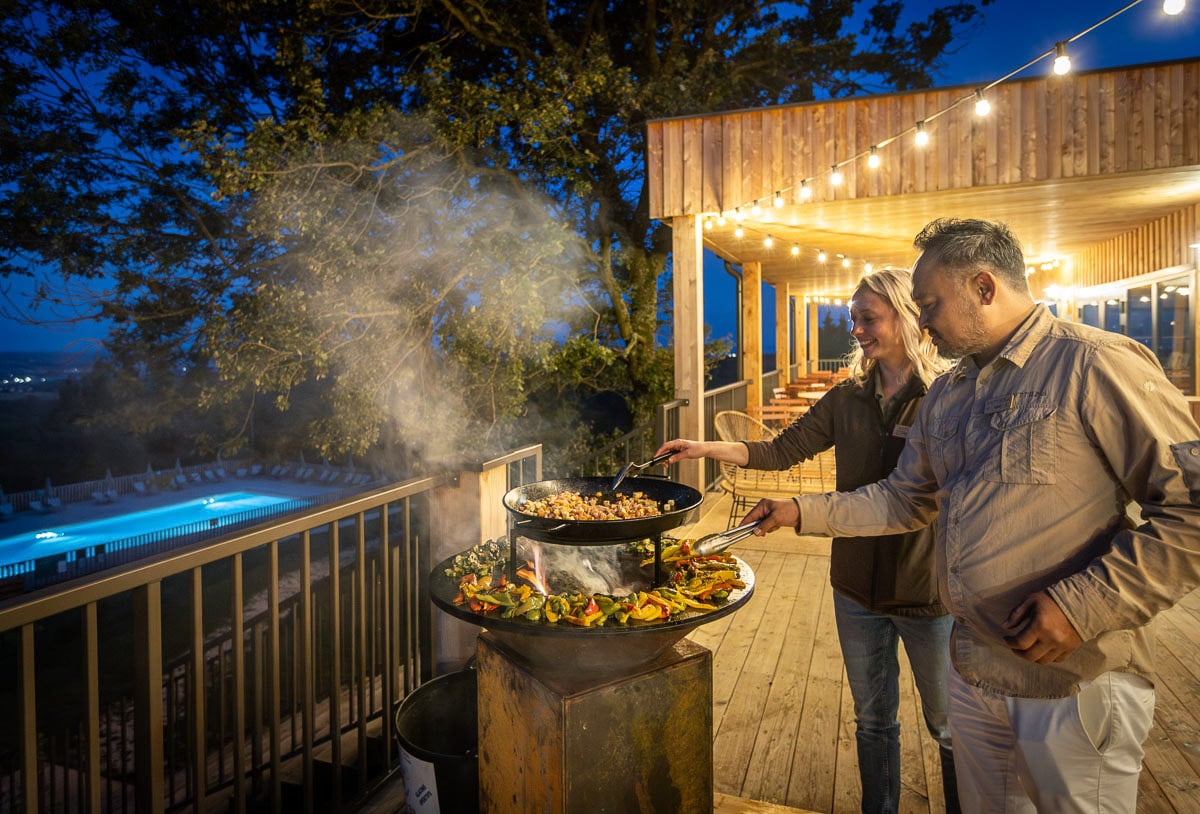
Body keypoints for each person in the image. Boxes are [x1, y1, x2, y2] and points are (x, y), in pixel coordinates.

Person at [745, 217, 1200, 812]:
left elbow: (1190, 510)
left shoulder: (1092, 363)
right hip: (974, 670)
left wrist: (1083, 605)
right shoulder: (950, 392)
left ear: (984, 287)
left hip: (1070, 679)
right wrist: (797, 510)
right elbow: (903, 498)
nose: (922, 320)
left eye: (930, 304)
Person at [657, 266, 961, 813]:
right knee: (873, 722)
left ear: (905, 317)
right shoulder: (847, 397)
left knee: (948, 726)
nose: (857, 330)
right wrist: (704, 448)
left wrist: (798, 511)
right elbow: (782, 450)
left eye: (868, 318)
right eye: (853, 319)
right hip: (855, 587)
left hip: (926, 592)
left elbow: (924, 498)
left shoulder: (944, 397)